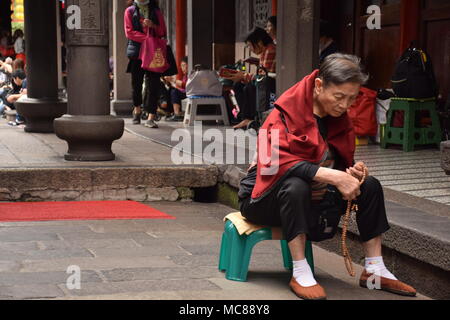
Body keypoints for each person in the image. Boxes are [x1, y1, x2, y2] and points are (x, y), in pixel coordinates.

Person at [238, 53, 417, 300]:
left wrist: (350, 173)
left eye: (352, 99)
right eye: (339, 97)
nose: (345, 105)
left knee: (370, 185)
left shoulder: (338, 116)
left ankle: (374, 269)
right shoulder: (282, 113)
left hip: (315, 197)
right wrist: (334, 177)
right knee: (295, 185)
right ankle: (300, 270)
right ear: (319, 85)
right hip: (264, 198)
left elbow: (339, 162)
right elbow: (273, 165)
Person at [124, 0, 167, 129]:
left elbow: (162, 31)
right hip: (137, 52)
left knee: (153, 84)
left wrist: (153, 25)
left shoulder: (156, 11)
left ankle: (151, 116)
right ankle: (137, 110)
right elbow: (129, 32)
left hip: (153, 53)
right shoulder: (129, 11)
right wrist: (147, 39)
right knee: (136, 84)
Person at [223, 27, 276, 130]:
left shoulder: (269, 50)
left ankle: (248, 118)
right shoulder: (266, 50)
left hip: (270, 85)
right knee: (239, 85)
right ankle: (245, 117)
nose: (250, 49)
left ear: (259, 43)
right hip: (266, 82)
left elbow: (264, 77)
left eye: (250, 45)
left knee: (248, 87)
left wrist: (243, 76)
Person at [165, 56, 188, 122]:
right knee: (171, 90)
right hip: (186, 92)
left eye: (184, 65)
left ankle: (177, 114)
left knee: (174, 92)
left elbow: (186, 85)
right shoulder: (185, 76)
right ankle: (170, 113)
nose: (182, 68)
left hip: (190, 93)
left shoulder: (191, 74)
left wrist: (174, 80)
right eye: (182, 66)